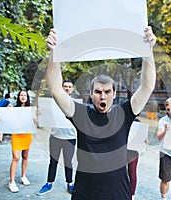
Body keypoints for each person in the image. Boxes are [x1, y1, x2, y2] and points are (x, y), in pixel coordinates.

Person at [45, 26, 156, 200]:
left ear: (114, 93)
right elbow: (55, 89)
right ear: (91, 93)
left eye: (107, 92)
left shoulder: (124, 113)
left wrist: (148, 50)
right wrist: (54, 53)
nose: (102, 96)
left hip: (118, 194)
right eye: (98, 92)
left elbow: (147, 86)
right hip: (84, 193)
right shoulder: (80, 114)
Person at [37, 80, 77, 196]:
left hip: (70, 137)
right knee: (53, 161)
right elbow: (45, 116)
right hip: (55, 136)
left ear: (72, 89)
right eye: (65, 86)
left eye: (69, 87)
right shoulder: (52, 103)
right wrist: (40, 113)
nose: (67, 88)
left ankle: (70, 184)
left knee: (68, 162)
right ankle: (49, 184)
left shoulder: (75, 103)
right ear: (62, 88)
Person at [8, 90, 33, 193]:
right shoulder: (14, 109)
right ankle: (12, 182)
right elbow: (7, 119)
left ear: (27, 97)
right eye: (21, 95)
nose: (23, 97)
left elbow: (36, 122)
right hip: (16, 135)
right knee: (16, 157)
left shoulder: (31, 109)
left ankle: (23, 176)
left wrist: (37, 115)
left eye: (25, 95)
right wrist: (8, 111)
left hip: (27, 134)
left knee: (25, 156)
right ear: (18, 97)